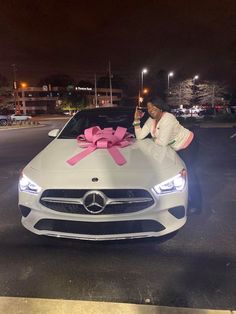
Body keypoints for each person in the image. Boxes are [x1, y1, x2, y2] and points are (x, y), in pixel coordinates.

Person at [133, 96, 201, 213]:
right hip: (174, 148)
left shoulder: (168, 118)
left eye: (154, 107)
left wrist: (152, 140)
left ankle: (196, 204)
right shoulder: (151, 121)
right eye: (149, 108)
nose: (151, 110)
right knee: (175, 176)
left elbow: (162, 142)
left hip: (187, 145)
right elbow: (140, 136)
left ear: (160, 107)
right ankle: (179, 201)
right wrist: (136, 120)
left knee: (189, 174)